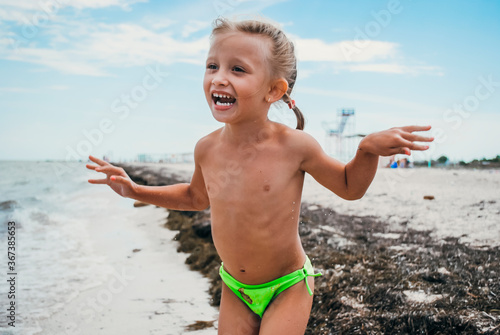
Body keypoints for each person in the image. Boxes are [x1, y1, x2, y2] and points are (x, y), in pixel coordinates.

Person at [86, 17, 433, 335]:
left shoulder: (295, 146)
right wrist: (135, 190)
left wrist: (366, 151)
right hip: (234, 288)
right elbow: (196, 198)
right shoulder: (206, 149)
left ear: (274, 91)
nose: (219, 77)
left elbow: (348, 187)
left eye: (238, 69)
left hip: (288, 286)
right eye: (212, 66)